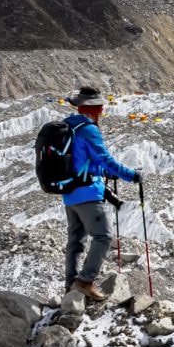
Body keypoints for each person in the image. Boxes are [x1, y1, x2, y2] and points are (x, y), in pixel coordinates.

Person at [60, 86, 142, 300]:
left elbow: (86, 160)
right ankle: (85, 282)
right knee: (103, 236)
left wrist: (104, 172)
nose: (103, 108)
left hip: (70, 192)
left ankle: (70, 285)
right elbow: (105, 159)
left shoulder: (70, 126)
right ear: (93, 108)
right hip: (87, 193)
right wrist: (131, 175)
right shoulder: (89, 129)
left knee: (76, 240)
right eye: (100, 105)